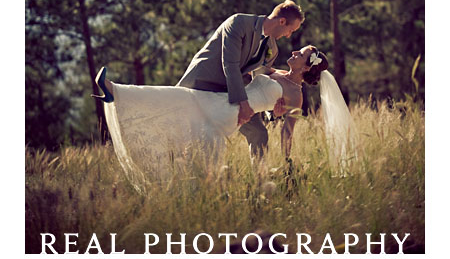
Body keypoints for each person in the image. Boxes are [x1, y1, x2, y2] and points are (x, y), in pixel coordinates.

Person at [92, 45, 326, 188]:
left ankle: (120, 94)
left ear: (307, 67)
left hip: (230, 112)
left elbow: (287, 129)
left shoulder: (296, 95)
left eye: (301, 54)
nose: (294, 52)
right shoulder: (278, 73)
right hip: (224, 100)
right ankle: (118, 93)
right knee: (181, 98)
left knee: (184, 112)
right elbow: (258, 75)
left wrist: (286, 160)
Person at [176, 0, 305, 157]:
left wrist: (273, 110)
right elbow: (230, 64)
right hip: (201, 83)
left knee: (259, 133)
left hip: (230, 92)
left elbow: (260, 77)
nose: (288, 35)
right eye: (290, 30)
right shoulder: (238, 22)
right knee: (180, 133)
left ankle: (261, 180)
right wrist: (243, 103)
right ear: (282, 21)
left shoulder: (272, 48)